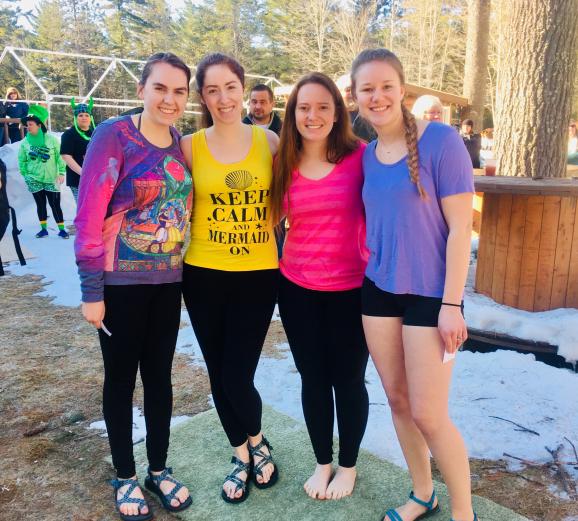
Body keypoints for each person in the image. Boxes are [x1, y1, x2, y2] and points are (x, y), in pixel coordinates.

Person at [351, 48, 477, 521]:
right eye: (368, 89)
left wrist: (452, 304)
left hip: (432, 295)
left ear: (402, 89)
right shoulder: (367, 156)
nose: (378, 96)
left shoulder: (442, 141)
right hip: (379, 291)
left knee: (429, 412)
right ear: (357, 97)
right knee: (398, 401)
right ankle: (423, 494)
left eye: (386, 86)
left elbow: (462, 229)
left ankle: (464, 512)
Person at [75, 52, 193, 521]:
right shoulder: (113, 136)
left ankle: (158, 469)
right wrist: (91, 290)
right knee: (121, 381)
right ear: (142, 89)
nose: (169, 98)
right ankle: (125, 474)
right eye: (160, 88)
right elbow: (87, 216)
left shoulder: (180, 143)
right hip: (119, 284)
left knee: (160, 380)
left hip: (168, 283)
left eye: (179, 91)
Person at [180, 52, 280, 504]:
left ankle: (257, 440)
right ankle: (243, 453)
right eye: (212, 90)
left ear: (244, 88)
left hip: (258, 274)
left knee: (238, 373)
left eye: (231, 87)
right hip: (202, 274)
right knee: (219, 373)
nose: (223, 98)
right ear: (202, 96)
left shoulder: (270, 143)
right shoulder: (189, 146)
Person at [270, 72, 369, 501]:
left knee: (348, 380)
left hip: (352, 290)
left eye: (322, 107)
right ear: (292, 113)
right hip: (297, 288)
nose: (313, 116)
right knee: (313, 379)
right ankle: (322, 463)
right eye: (304, 107)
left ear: (337, 112)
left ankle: (348, 466)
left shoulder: (361, 157)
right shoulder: (281, 163)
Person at [18, 104, 69, 239]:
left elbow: (60, 157)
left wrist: (61, 172)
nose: (28, 127)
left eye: (30, 124)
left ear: (39, 125)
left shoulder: (52, 140)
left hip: (51, 178)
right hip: (33, 179)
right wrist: (26, 175)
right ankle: (43, 229)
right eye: (27, 125)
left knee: (55, 204)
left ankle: (62, 229)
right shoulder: (24, 143)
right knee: (40, 205)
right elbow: (21, 160)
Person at [60, 98, 96, 204]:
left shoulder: (96, 132)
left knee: (96, 207)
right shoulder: (69, 135)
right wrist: (83, 173)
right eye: (80, 115)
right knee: (83, 209)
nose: (84, 118)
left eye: (86, 115)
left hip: (95, 179)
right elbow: (66, 156)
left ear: (90, 117)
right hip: (78, 179)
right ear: (75, 118)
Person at [336, 73, 376, 142]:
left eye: (355, 89)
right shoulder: (334, 119)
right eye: (348, 90)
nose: (353, 94)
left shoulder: (372, 115)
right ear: (338, 93)